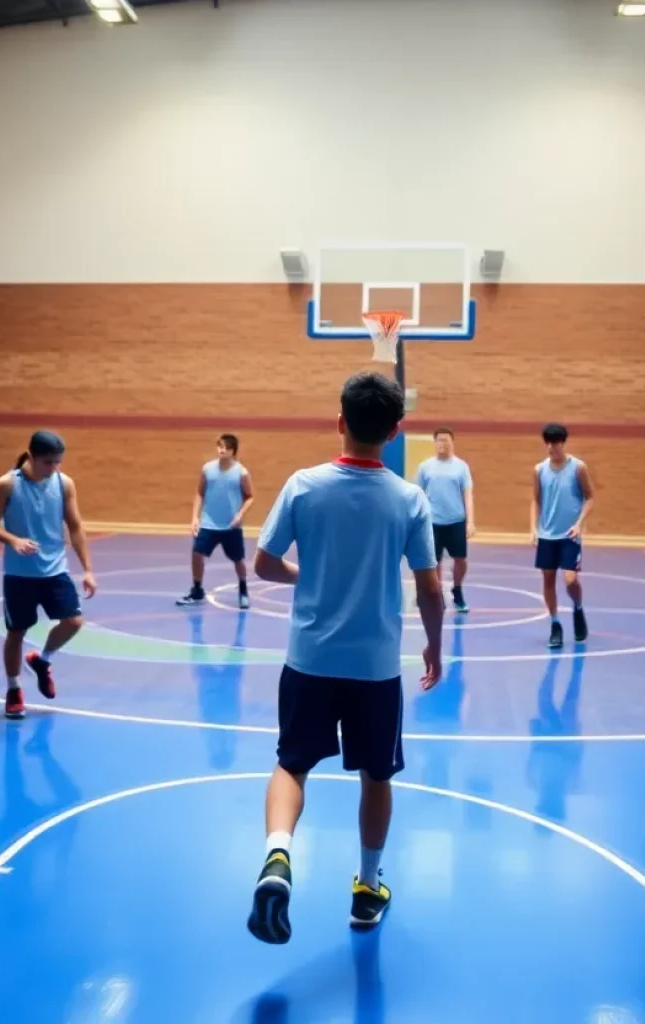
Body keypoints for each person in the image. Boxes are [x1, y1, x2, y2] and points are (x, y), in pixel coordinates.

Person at [246, 371, 445, 946]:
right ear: (396, 431)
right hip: (376, 667)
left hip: (308, 659)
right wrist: (433, 644)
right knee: (376, 775)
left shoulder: (304, 486)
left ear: (340, 421)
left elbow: (263, 564)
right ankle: (366, 888)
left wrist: (301, 574)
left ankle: (278, 858)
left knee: (292, 763)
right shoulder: (409, 498)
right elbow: (431, 589)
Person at [0, 431, 97, 720]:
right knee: (16, 632)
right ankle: (13, 689)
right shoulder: (7, 484)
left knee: (73, 621)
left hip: (55, 569)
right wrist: (14, 540)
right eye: (48, 462)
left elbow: (75, 526)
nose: (54, 468)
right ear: (31, 456)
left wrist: (88, 570)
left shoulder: (64, 483)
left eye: (58, 462)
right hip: (20, 575)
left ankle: (42, 660)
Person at [530, 423, 594, 649]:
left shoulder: (578, 467)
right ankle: (555, 624)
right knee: (547, 579)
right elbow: (536, 500)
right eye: (547, 442)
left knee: (570, 579)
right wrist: (533, 527)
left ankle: (577, 608)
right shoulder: (539, 470)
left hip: (570, 534)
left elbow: (590, 498)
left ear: (563, 443)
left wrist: (579, 524)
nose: (551, 447)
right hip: (547, 534)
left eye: (555, 442)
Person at [177, 434, 255, 610]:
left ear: (232, 451)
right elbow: (199, 493)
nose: (221, 449)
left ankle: (243, 590)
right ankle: (197, 590)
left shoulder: (241, 473)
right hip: (208, 523)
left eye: (226, 447)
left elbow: (250, 497)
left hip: (231, 525)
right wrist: (195, 518)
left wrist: (239, 515)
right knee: (197, 553)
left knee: (238, 560)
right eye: (219, 446)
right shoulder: (207, 469)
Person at [415, 427, 475, 613]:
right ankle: (437, 593)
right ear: (434, 443)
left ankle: (457, 590)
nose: (442, 444)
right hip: (432, 523)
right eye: (439, 440)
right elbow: (418, 494)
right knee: (434, 562)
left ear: (452, 442)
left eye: (446, 440)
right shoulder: (425, 467)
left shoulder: (461, 466)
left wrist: (470, 521)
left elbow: (468, 495)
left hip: (456, 521)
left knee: (461, 560)